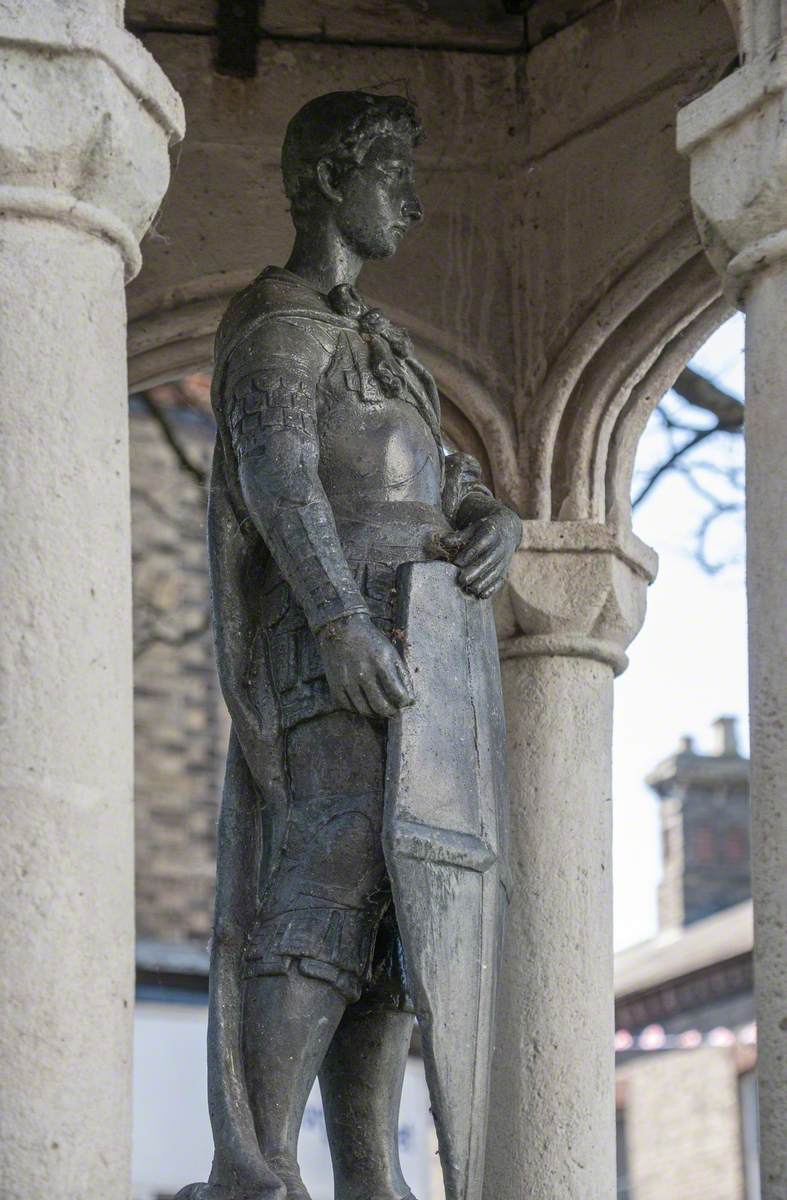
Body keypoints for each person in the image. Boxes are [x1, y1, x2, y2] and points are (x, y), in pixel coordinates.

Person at [178, 91, 521, 1200]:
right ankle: (259, 1166)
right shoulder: (279, 327)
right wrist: (335, 620)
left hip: (419, 643)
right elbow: (277, 480)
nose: (413, 205)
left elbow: (437, 476)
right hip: (344, 646)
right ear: (329, 178)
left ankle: (369, 1175)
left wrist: (491, 517)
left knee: (387, 925)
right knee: (326, 892)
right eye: (393, 177)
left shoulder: (380, 344)